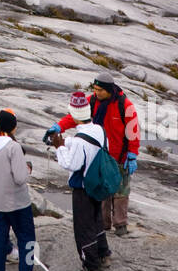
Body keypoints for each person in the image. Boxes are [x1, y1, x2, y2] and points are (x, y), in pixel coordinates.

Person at [45, 77, 140, 236]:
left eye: (100, 90)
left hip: (120, 156)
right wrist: (58, 126)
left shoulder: (125, 106)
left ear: (109, 90)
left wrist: (132, 154)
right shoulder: (92, 101)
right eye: (95, 89)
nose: (96, 92)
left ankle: (120, 224)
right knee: (102, 186)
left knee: (121, 190)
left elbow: (133, 132)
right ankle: (103, 223)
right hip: (100, 153)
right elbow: (74, 117)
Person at [48, 91, 112, 271]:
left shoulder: (79, 141)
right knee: (96, 220)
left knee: (83, 228)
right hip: (97, 184)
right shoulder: (99, 129)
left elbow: (71, 164)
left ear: (74, 115)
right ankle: (104, 253)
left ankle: (92, 266)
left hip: (82, 187)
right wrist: (67, 142)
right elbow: (89, 146)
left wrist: (59, 147)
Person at [0, 109, 41, 271]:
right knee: (28, 240)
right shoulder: (13, 147)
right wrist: (28, 169)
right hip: (18, 202)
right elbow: (20, 177)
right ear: (13, 127)